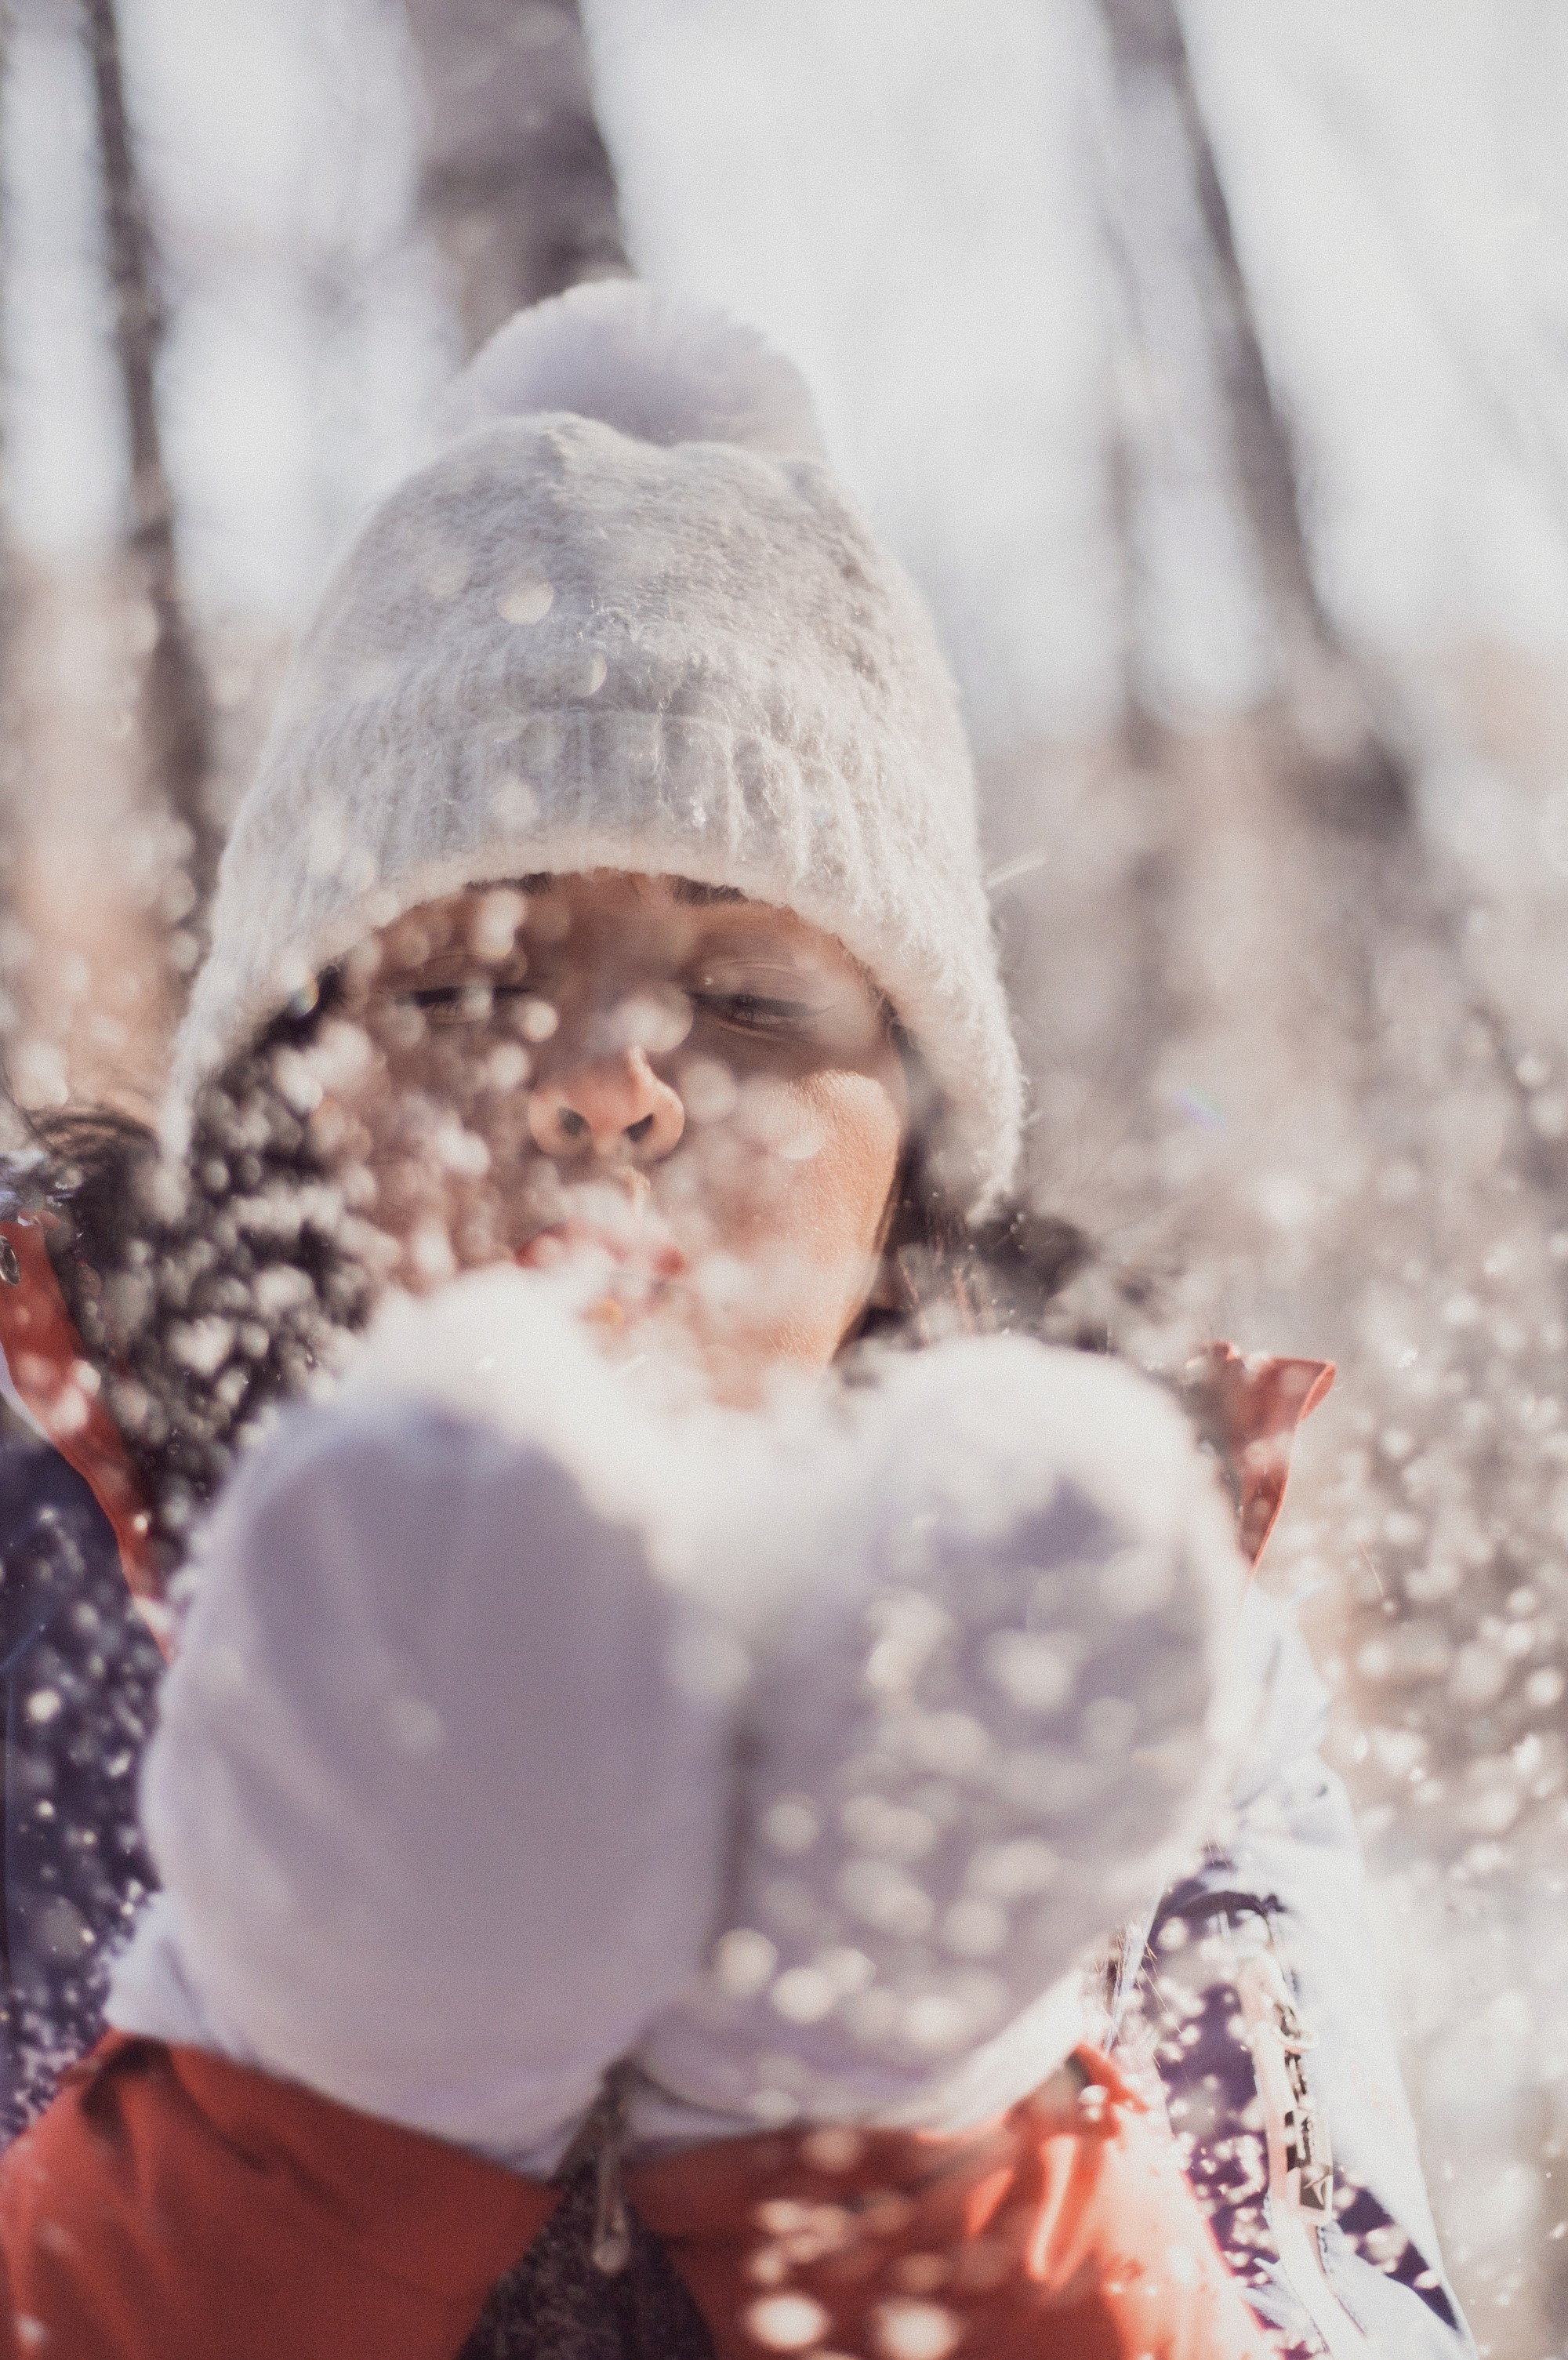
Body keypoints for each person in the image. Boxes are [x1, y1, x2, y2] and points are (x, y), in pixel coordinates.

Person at [0, 284, 1472, 2358]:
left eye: (756, 996)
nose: (613, 1081)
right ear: (287, 1120)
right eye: (463, 981)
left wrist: (935, 2165)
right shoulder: (41, 1554)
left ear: (915, 1175)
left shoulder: (1103, 1632)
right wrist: (284, 2130)